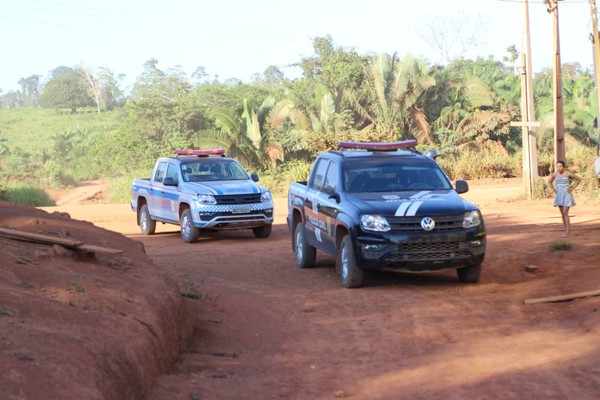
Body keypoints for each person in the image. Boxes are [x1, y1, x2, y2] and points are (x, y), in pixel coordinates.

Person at [549, 160, 582, 237]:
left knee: (565, 213)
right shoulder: (554, 174)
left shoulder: (568, 173)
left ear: (563, 167)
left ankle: (567, 231)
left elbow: (579, 179)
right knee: (562, 214)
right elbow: (550, 182)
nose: (558, 168)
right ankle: (565, 230)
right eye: (557, 166)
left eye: (560, 166)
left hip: (566, 194)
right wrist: (554, 189)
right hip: (559, 195)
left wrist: (572, 188)